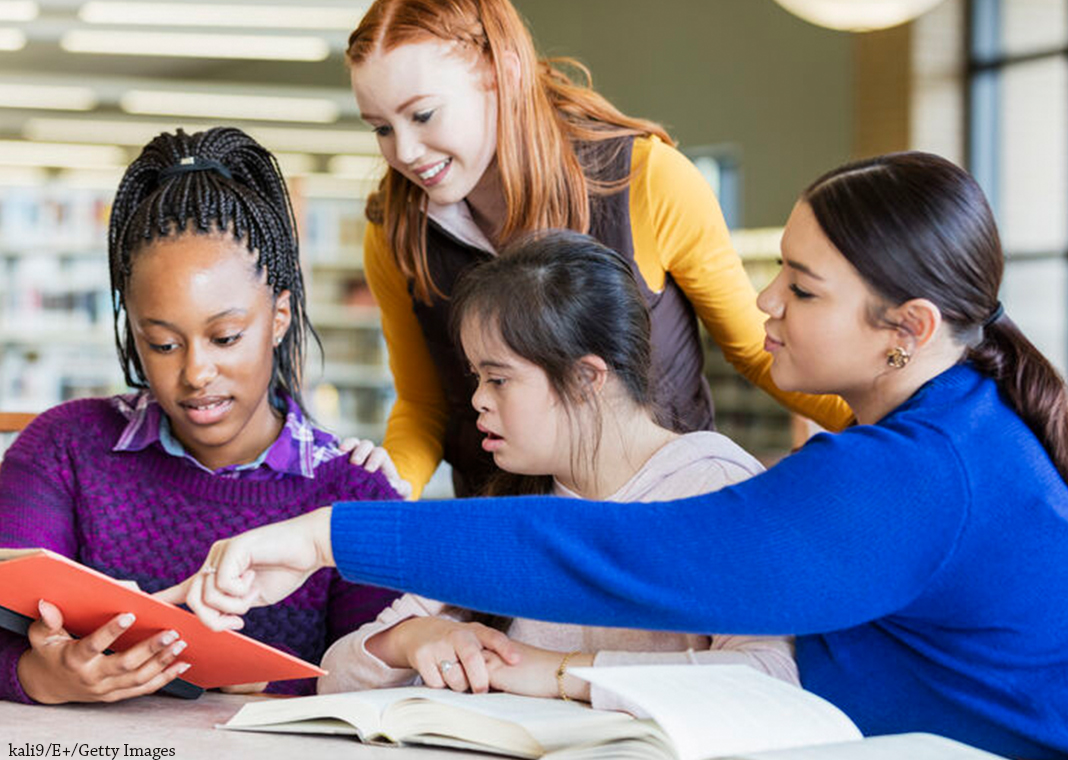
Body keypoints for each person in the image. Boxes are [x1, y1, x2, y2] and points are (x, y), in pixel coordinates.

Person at [182, 152, 1068, 759]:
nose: (765, 299)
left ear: (906, 330)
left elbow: (625, 554)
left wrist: (327, 536)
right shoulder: (962, 435)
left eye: (801, 287)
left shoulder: (914, 474)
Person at [347, 0, 852, 498]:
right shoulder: (396, 232)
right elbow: (424, 402)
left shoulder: (647, 180)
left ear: (506, 73)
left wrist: (900, 431)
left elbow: (755, 353)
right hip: (511, 541)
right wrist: (388, 490)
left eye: (423, 115)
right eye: (382, 128)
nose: (404, 152)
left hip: (658, 523)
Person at [0, 127, 400, 705]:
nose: (195, 373)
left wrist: (264, 682)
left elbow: (390, 680)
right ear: (131, 331)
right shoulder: (63, 448)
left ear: (280, 316)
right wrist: (44, 677)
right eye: (163, 343)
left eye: (226, 337)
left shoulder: (355, 490)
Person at [318, 232, 797, 707]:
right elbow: (333, 679)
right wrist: (412, 639)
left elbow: (770, 675)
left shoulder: (716, 488)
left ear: (587, 377)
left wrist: (557, 673)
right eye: (477, 378)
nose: (478, 400)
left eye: (499, 379)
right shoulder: (507, 505)